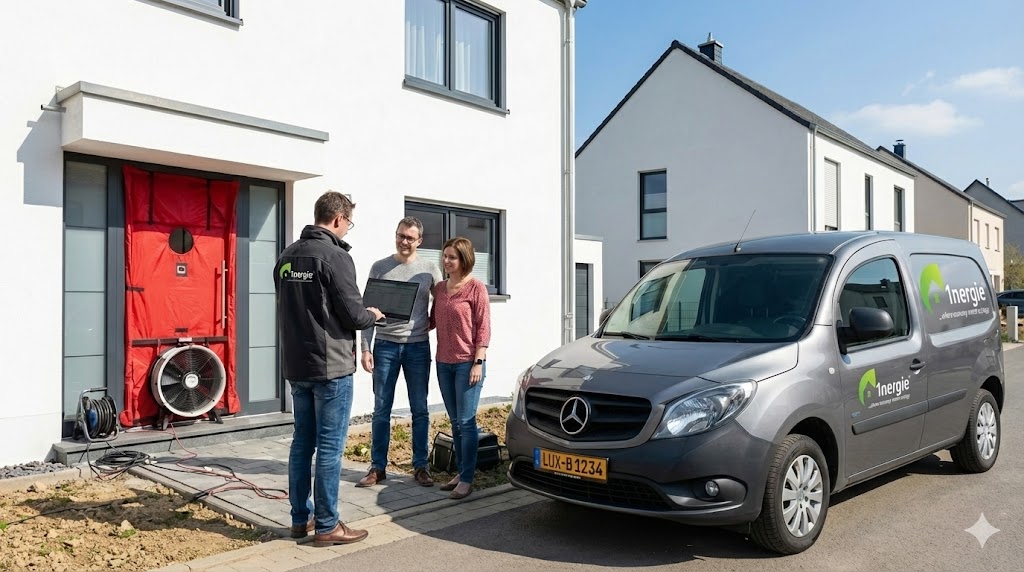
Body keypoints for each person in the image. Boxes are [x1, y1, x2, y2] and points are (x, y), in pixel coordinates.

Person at [273, 191, 384, 546]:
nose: (348, 228)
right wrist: (373, 315)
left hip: (297, 364)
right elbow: (353, 315)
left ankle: (299, 519)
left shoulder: (287, 256)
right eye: (349, 222)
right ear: (338, 219)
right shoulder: (335, 256)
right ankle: (327, 525)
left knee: (301, 443)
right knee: (330, 448)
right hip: (331, 367)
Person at [356, 217, 444, 488]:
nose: (404, 241)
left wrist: (432, 321)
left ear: (420, 241)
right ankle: (377, 467)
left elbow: (443, 302)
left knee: (420, 409)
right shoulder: (380, 267)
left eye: (410, 238)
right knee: (381, 409)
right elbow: (368, 310)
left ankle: (420, 466)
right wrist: (365, 348)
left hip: (417, 347)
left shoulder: (429, 269)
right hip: (385, 346)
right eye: (400, 235)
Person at [430, 236, 491, 500]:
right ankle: (461, 472)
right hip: (443, 363)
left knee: (466, 422)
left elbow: (484, 328)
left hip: (468, 363)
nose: (446, 261)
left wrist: (478, 362)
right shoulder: (439, 289)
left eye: (452, 257)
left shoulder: (477, 288)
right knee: (455, 421)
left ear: (464, 259)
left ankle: (467, 479)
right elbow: (431, 321)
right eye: (444, 256)